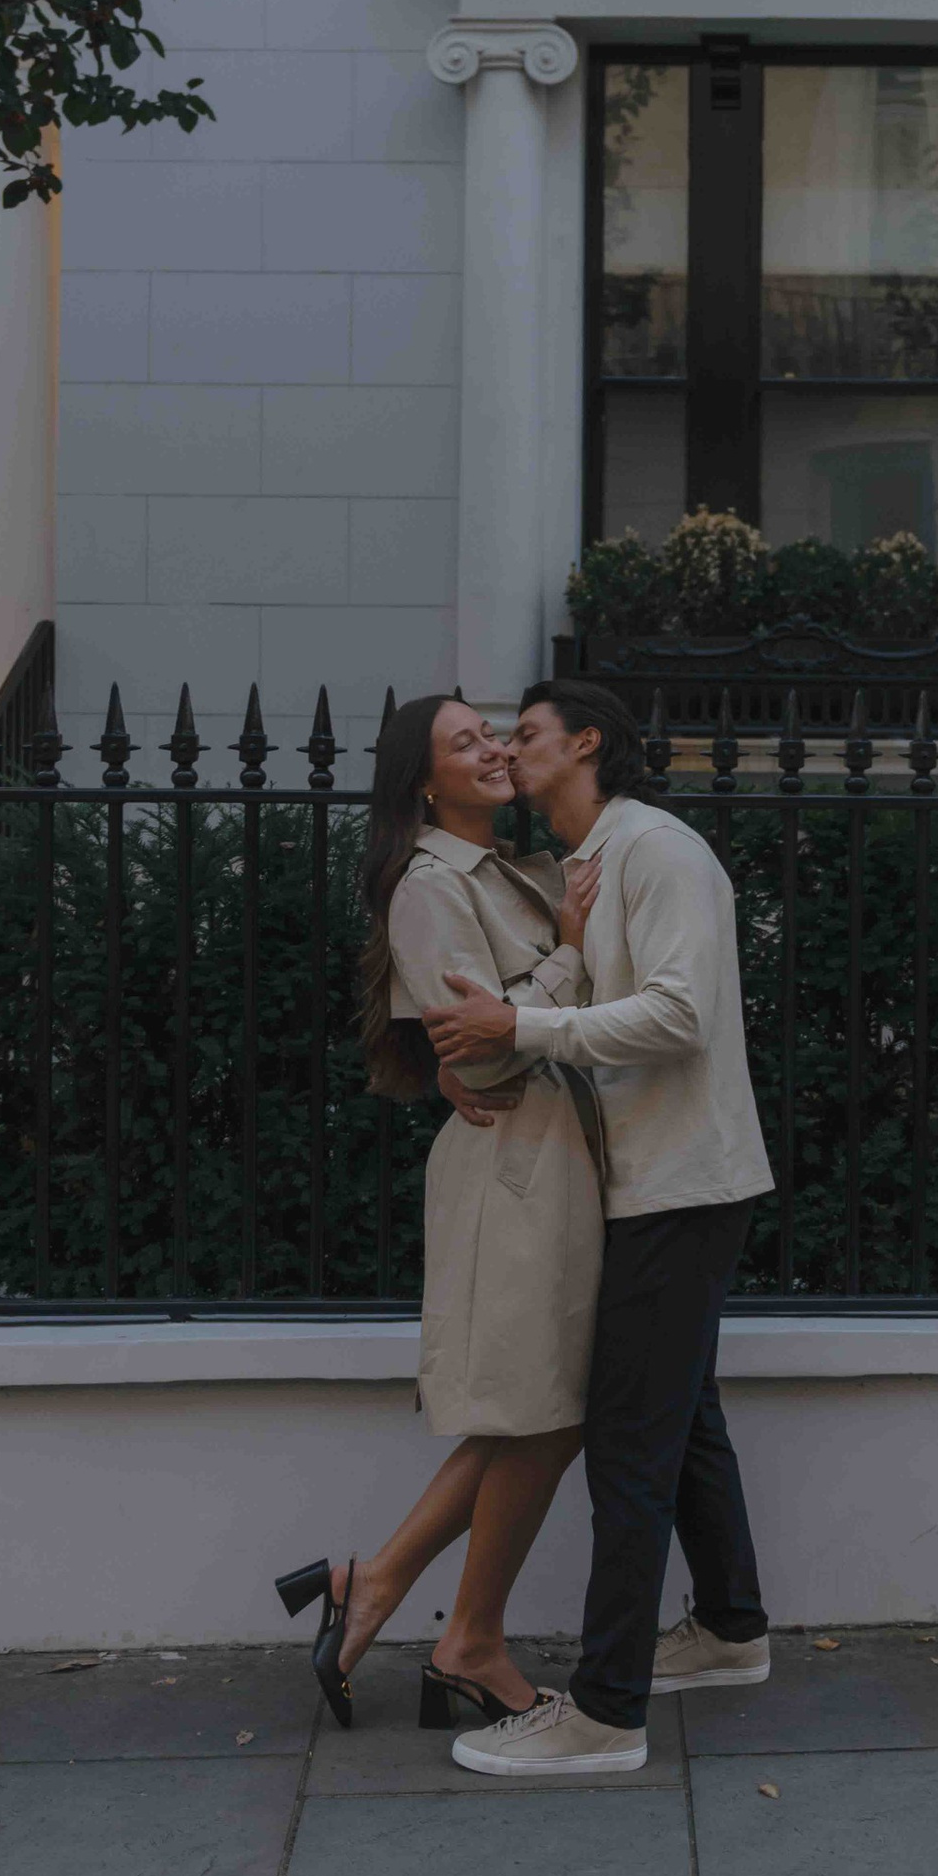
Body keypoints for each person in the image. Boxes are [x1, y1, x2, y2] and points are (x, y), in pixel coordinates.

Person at [425, 677, 775, 1779]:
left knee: (629, 1445)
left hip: (681, 1186)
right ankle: (727, 1631)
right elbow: (565, 1009)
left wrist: (521, 1020)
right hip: (652, 1186)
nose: (505, 749)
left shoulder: (656, 849)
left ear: (585, 743)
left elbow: (680, 1012)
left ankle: (606, 1711)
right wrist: (490, 1042)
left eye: (523, 734)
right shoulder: (589, 864)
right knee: (687, 1422)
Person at [276, 692, 604, 1730]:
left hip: (555, 1156)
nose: (494, 748)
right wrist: (564, 949)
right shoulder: (429, 886)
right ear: (424, 781)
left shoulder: (514, 866)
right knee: (539, 1411)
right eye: (465, 742)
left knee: (542, 1410)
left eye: (494, 731)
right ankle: (462, 1640)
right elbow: (489, 1046)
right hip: (513, 1166)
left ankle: (378, 1590)